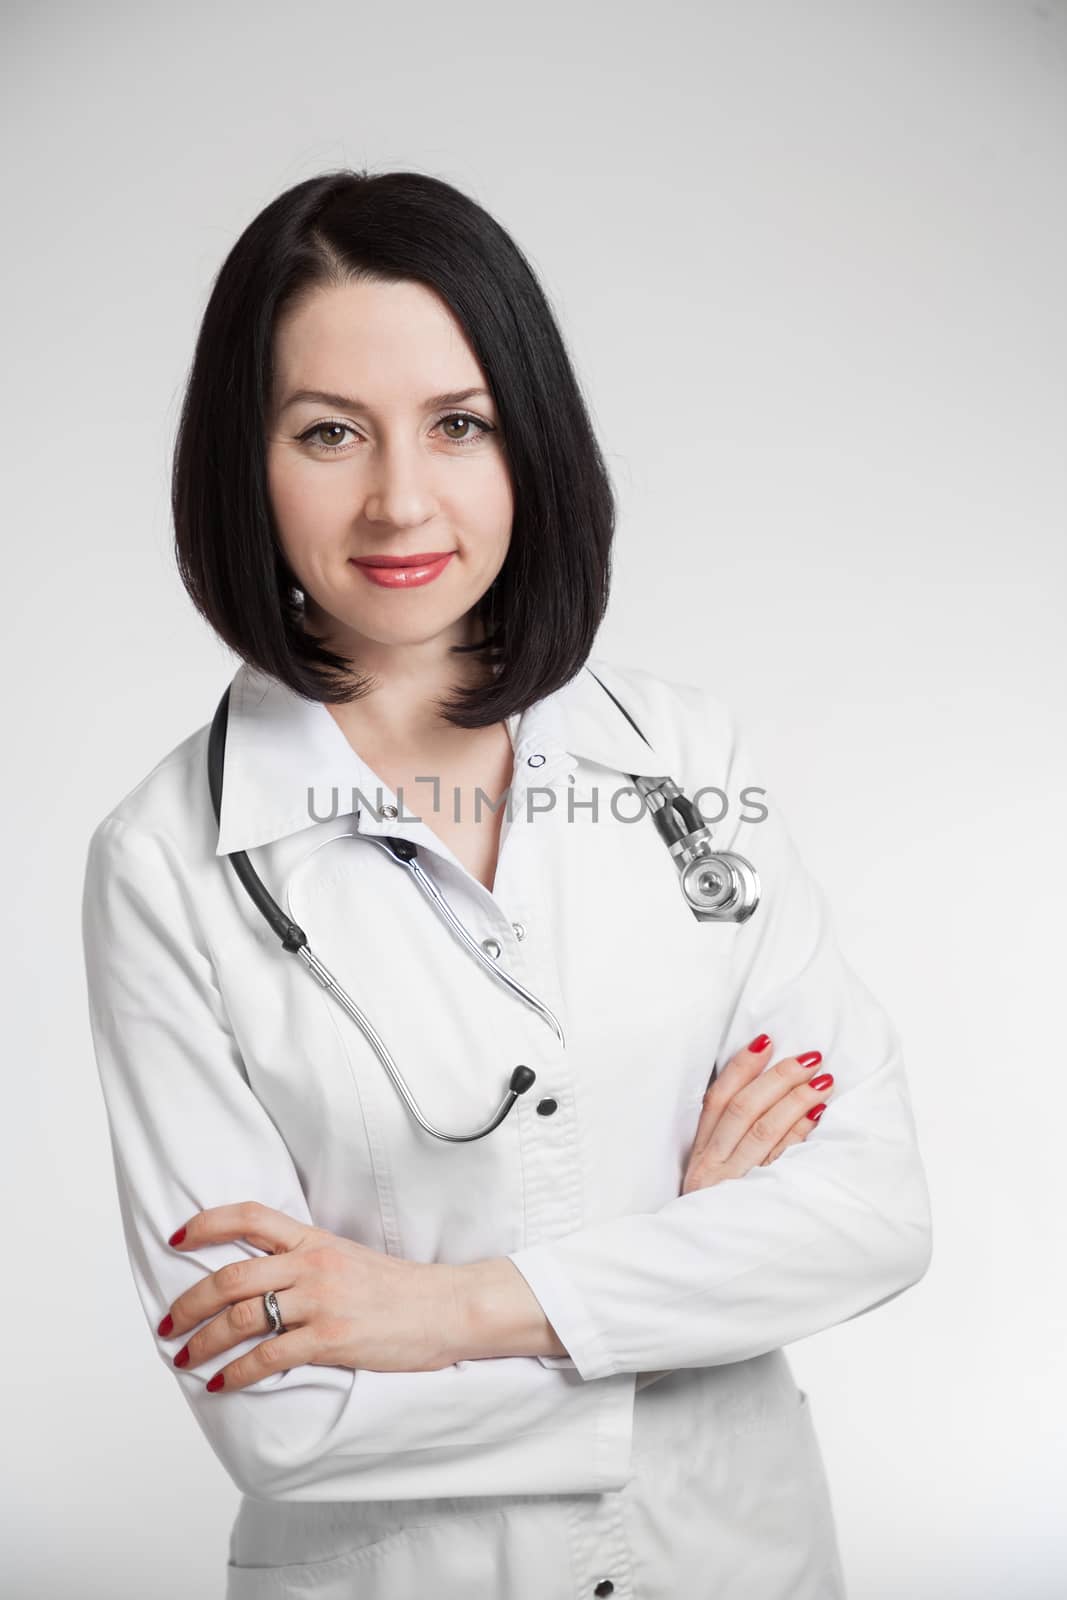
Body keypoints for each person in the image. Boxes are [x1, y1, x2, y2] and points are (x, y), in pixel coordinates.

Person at [80, 168, 933, 1600]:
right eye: (328, 432)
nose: (400, 498)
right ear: (245, 461)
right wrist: (685, 1282)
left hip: (732, 1559)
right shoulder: (165, 862)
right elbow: (280, 1414)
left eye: (459, 424)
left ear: (529, 442)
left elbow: (875, 1213)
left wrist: (438, 1309)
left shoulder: (682, 759)